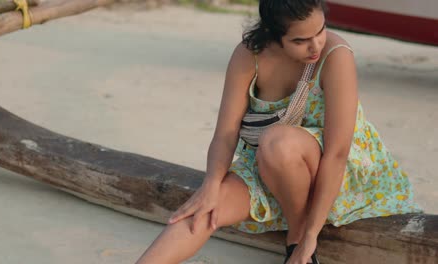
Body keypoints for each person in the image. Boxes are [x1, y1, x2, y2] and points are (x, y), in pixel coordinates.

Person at [136, 0, 423, 263]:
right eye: (300, 40)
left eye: (320, 31)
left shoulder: (335, 55)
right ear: (273, 35)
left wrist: (310, 236)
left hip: (340, 174)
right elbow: (226, 132)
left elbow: (337, 153)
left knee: (277, 141)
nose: (315, 46)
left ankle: (297, 239)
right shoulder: (250, 56)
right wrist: (211, 185)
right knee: (203, 212)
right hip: (269, 169)